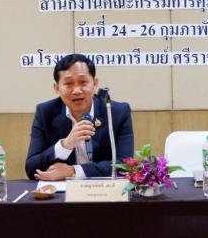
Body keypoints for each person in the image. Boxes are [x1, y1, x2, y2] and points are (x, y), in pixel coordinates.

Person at [25, 53, 134, 181]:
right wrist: (65, 145)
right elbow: (32, 168)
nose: (77, 90)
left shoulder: (117, 112)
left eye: (83, 82)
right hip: (63, 192)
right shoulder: (45, 112)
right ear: (57, 88)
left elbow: (125, 166)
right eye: (68, 83)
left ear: (95, 83)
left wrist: (74, 171)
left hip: (104, 190)